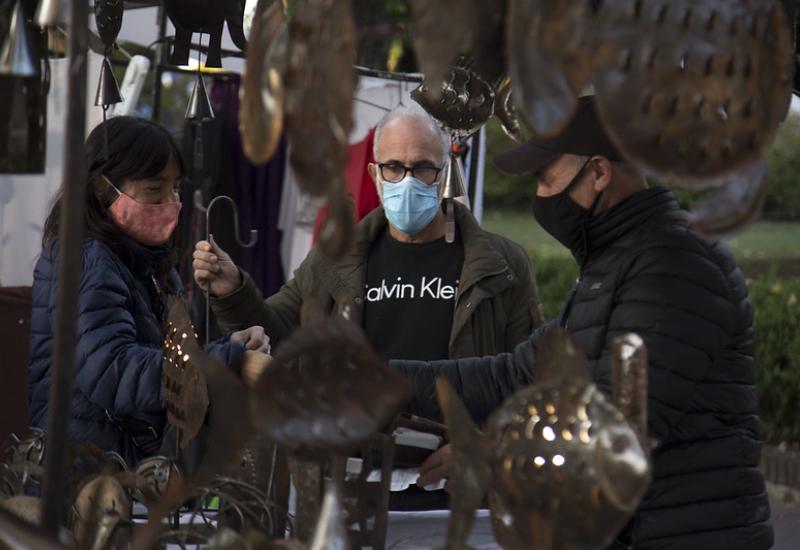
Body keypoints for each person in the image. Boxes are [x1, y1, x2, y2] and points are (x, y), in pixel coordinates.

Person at [390, 96, 773, 549]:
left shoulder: (671, 264)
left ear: (598, 172)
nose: (541, 197)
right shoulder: (614, 263)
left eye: (546, 179)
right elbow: (515, 375)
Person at [193, 105, 542, 363]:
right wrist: (233, 289)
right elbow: (275, 330)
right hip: (352, 455)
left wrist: (472, 447)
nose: (407, 181)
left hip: (453, 455)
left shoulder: (501, 265)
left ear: (443, 173)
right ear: (375, 176)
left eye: (422, 168)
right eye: (393, 168)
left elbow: (524, 377)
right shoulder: (333, 260)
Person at [27, 116, 270, 467]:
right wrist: (228, 362)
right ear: (101, 188)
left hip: (132, 464)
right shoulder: (87, 258)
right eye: (155, 191)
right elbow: (113, 369)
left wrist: (231, 347)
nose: (171, 201)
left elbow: (166, 355)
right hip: (86, 474)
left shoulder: (147, 261)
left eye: (175, 189)